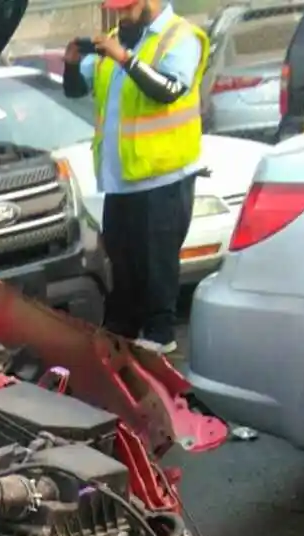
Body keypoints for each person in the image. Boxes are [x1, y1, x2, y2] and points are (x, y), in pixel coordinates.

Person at [63, 0, 210, 353]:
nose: (120, 16)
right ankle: (121, 337)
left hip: (163, 178)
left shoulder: (180, 37)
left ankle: (161, 339)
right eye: (115, 8)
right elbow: (76, 89)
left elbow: (169, 90)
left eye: (127, 8)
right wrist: (70, 65)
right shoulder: (116, 40)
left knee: (156, 267)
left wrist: (125, 59)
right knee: (122, 268)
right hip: (121, 180)